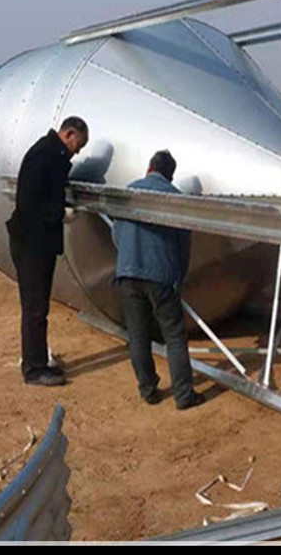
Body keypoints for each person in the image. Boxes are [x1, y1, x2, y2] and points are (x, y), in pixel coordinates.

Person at [112, 150, 205, 410]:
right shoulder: (175, 199)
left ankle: (148, 389)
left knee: (138, 334)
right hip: (161, 277)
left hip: (128, 274)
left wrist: (128, 257)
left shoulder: (129, 191)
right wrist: (179, 277)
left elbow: (117, 234)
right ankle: (183, 395)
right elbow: (183, 246)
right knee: (174, 335)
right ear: (170, 175)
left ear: (150, 166)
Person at [6, 116, 89, 386]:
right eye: (78, 145)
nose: (78, 152)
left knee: (36, 306)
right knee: (35, 307)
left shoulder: (51, 154)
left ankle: (36, 361)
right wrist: (60, 213)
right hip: (32, 244)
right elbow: (29, 202)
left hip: (36, 242)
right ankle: (34, 369)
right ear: (69, 134)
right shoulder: (44, 155)